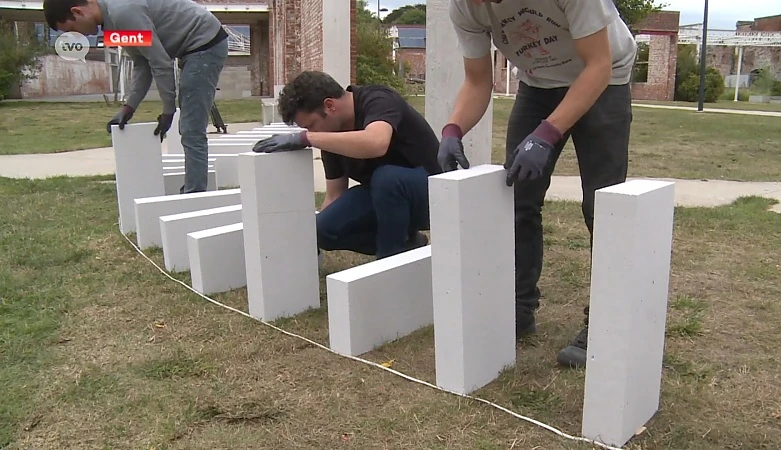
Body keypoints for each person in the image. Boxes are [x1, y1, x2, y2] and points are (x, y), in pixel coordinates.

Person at [438, 0, 637, 368]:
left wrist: (548, 132)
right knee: (517, 198)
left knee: (604, 207)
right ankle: (518, 307)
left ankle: (605, 324)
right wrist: (453, 129)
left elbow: (598, 64)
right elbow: (479, 80)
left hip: (605, 77)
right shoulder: (465, 7)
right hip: (538, 85)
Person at [44, 0, 229, 194]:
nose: (78, 35)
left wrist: (168, 111)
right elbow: (142, 62)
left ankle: (194, 195)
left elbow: (161, 63)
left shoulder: (123, 12)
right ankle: (194, 190)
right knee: (190, 127)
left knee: (191, 128)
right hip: (191, 48)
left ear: (77, 12)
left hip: (205, 43)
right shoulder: (111, 22)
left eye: (72, 28)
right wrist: (128, 107)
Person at [252, 71, 441, 259]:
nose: (310, 132)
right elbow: (335, 195)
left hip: (431, 192)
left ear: (329, 105)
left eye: (311, 125)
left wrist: (307, 138)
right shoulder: (331, 134)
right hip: (384, 197)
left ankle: (390, 260)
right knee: (322, 229)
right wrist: (309, 239)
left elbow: (377, 143)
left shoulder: (378, 100)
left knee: (386, 179)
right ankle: (409, 244)